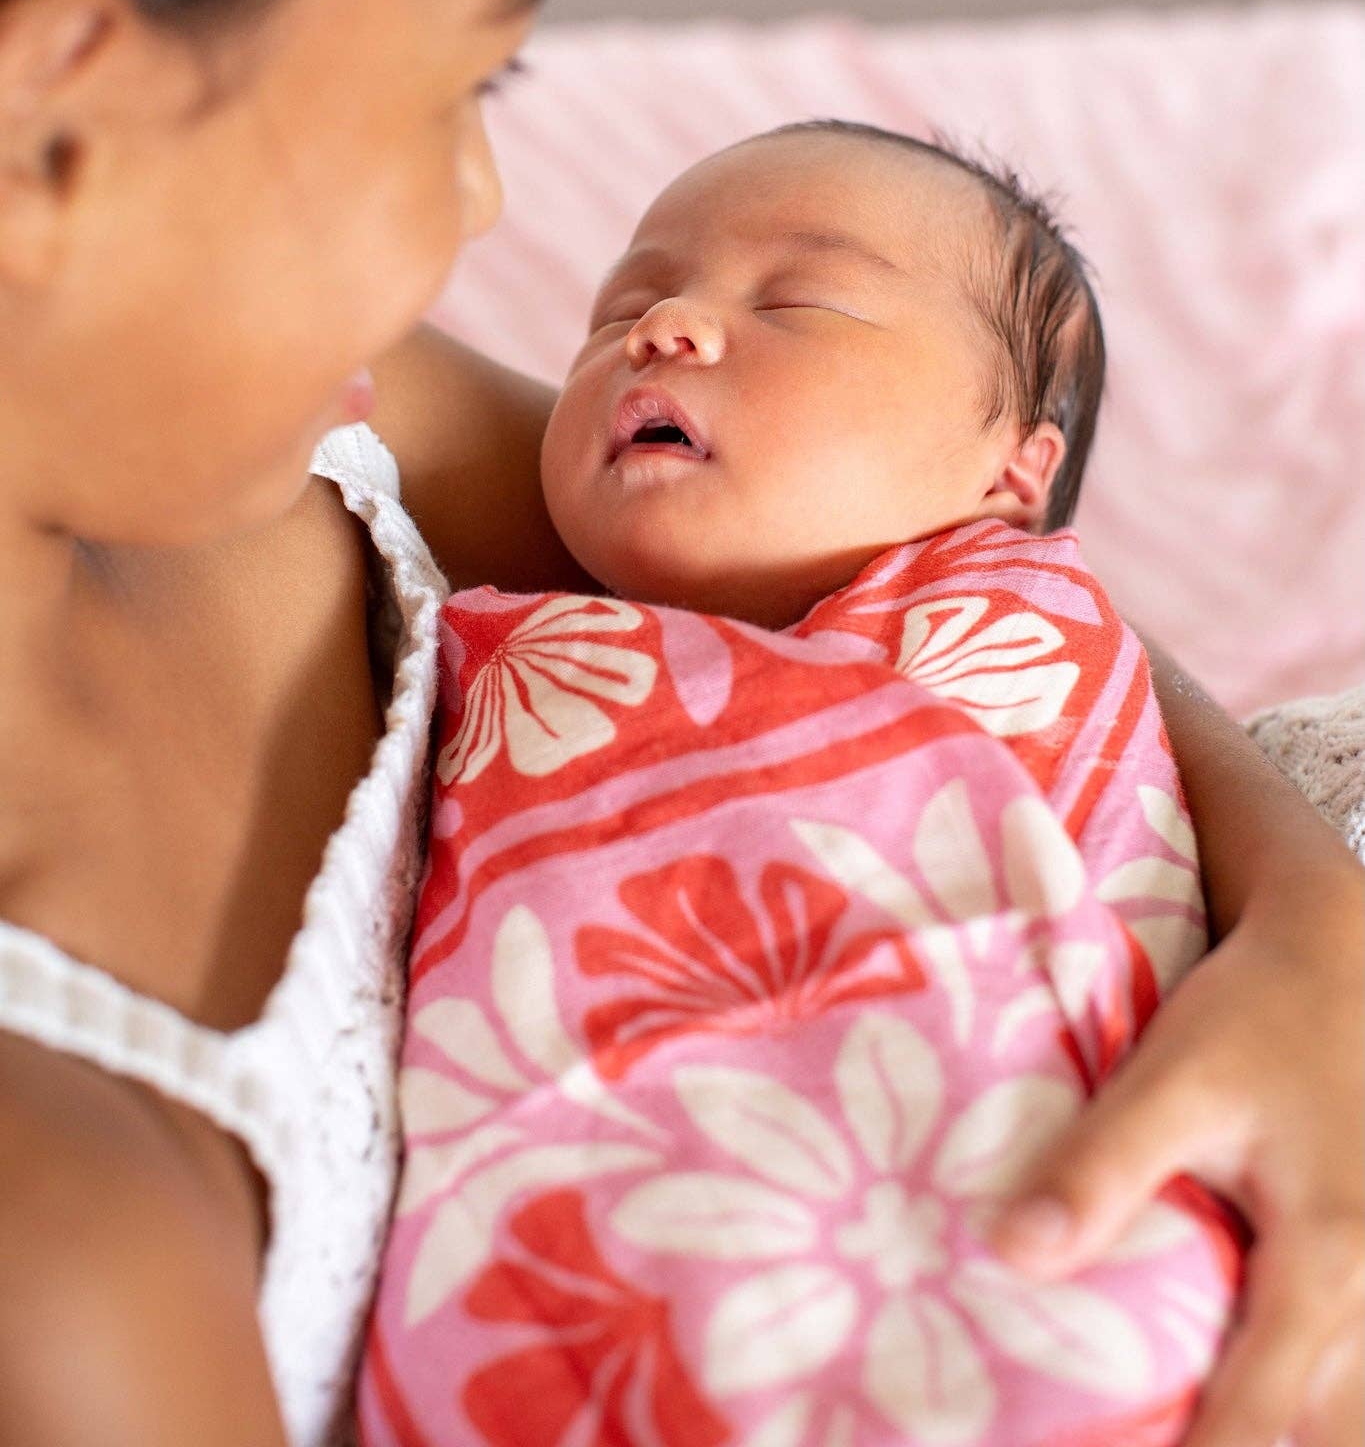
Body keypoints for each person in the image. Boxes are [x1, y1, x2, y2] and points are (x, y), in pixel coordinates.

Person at [0, 0, 1358, 1445]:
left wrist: (1313, 933)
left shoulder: (326, 426)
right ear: (55, 123)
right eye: (459, 91)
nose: (486, 213)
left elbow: (914, 570)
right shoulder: (62, 1254)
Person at [361, 124, 1240, 1446]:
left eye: (797, 304)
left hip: (1028, 1249)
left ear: (1013, 468)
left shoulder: (1016, 618)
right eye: (621, 309)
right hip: (605, 1301)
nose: (662, 330)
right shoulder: (489, 642)